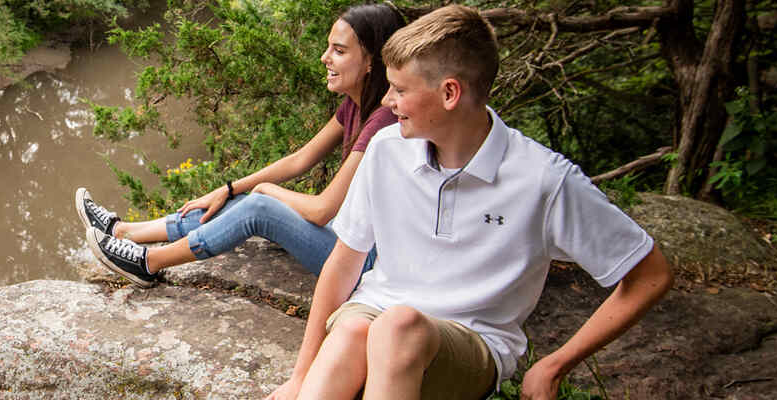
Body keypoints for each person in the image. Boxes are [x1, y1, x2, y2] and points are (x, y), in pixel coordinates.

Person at [268, 5, 675, 400]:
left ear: (450, 93)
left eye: (401, 89)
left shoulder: (543, 179)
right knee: (358, 328)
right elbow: (343, 264)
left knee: (398, 327)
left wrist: (555, 365)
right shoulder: (386, 149)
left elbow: (650, 274)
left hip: (468, 344)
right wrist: (299, 377)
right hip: (370, 321)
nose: (387, 101)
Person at [75, 3, 404, 287]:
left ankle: (149, 262)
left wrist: (264, 189)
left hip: (363, 263)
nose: (324, 58)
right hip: (347, 239)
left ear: (372, 61)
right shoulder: (357, 105)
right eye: (329, 47)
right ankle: (122, 232)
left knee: (258, 207)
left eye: (339, 51)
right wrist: (230, 188)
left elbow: (321, 210)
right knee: (240, 200)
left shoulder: (383, 121)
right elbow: (301, 158)